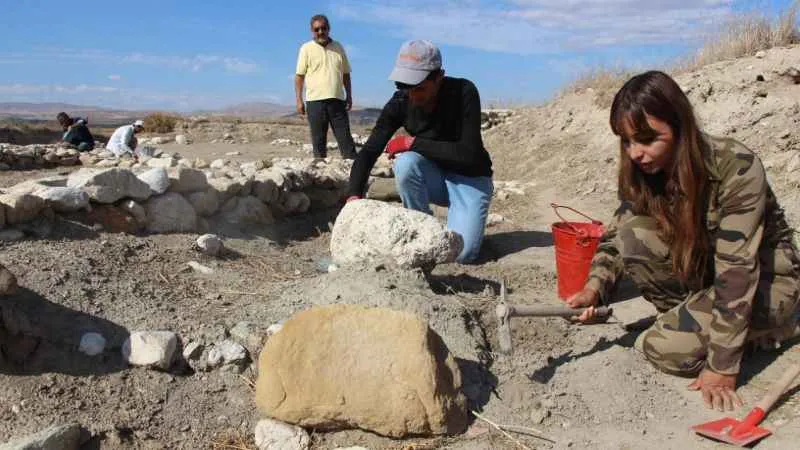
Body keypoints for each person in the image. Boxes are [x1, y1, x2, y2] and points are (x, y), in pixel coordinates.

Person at [568, 71, 800, 411]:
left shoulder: (735, 166)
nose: (636, 153)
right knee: (634, 232)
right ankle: (691, 321)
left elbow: (738, 269)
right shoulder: (645, 172)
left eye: (647, 139)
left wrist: (722, 365)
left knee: (662, 349)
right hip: (709, 274)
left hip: (767, 279)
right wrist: (594, 288)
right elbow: (617, 239)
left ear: (680, 127)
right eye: (627, 141)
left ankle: (783, 323)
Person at [345, 40, 493, 263]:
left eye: (419, 88)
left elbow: (469, 154)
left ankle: (468, 223)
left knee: (460, 255)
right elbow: (369, 152)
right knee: (405, 164)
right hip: (434, 177)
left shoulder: (464, 92)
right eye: (404, 86)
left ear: (439, 77)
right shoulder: (401, 101)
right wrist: (353, 195)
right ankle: (422, 229)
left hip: (469, 179)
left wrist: (412, 143)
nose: (412, 96)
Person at [294, 14, 357, 160]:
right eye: (317, 29)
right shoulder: (306, 48)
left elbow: (346, 74)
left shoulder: (338, 47)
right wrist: (298, 100)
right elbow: (299, 76)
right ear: (312, 31)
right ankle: (320, 179)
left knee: (346, 141)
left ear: (329, 29)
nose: (320, 32)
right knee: (318, 142)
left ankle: (355, 177)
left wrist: (349, 95)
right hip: (315, 102)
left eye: (323, 28)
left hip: (337, 101)